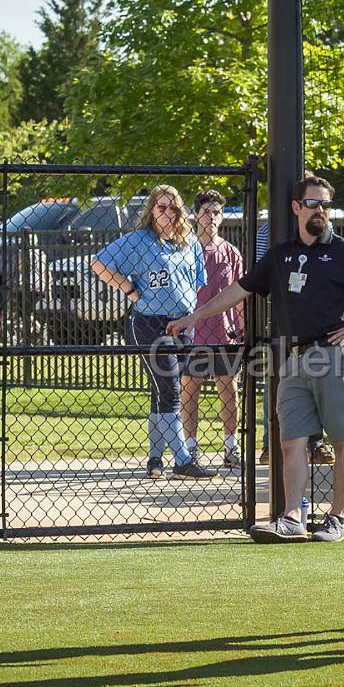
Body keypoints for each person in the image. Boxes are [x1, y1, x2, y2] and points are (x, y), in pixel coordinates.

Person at [169, 173, 344, 543]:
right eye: (313, 203)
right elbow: (239, 289)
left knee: (342, 439)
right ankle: (293, 517)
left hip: (335, 356)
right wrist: (196, 316)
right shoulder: (281, 255)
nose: (321, 211)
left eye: (326, 204)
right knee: (289, 440)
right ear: (296, 207)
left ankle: (336, 518)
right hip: (291, 358)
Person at [91, 184, 217, 480]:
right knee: (171, 389)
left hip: (182, 325)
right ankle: (183, 459)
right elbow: (98, 263)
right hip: (150, 323)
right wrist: (128, 288)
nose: (168, 213)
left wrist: (186, 309)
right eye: (161, 207)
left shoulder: (189, 243)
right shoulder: (138, 241)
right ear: (151, 210)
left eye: (174, 208)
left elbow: (198, 281)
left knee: (161, 392)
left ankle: (155, 458)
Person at [179, 189, 245, 470]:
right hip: (193, 333)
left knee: (228, 388)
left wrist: (242, 329)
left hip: (224, 332)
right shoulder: (184, 249)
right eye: (207, 212)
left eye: (217, 212)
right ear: (196, 215)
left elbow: (240, 294)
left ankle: (231, 446)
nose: (212, 217)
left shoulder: (230, 252)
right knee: (189, 389)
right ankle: (190, 448)